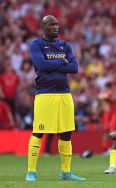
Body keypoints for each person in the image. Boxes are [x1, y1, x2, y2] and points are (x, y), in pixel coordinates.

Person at [25, 15, 85, 181]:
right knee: (39, 131)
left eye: (57, 24)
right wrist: (62, 63)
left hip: (65, 94)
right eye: (52, 25)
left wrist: (57, 65)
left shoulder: (65, 45)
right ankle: (31, 172)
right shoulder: (37, 45)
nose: (56, 27)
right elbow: (41, 65)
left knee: (66, 132)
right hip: (45, 94)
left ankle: (66, 172)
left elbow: (74, 68)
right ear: (44, 27)